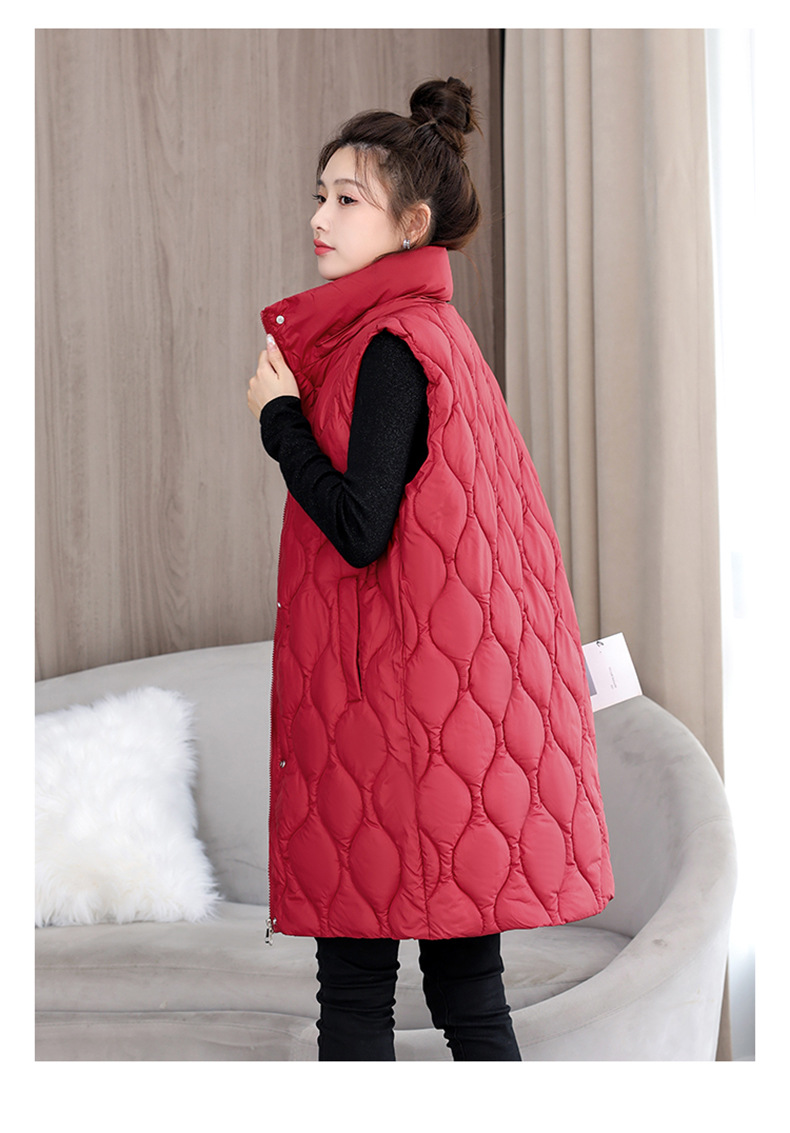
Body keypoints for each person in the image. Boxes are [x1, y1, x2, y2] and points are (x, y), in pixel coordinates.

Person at [247, 77, 614, 1062]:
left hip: (385, 727)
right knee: (467, 990)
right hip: (444, 728)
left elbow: (359, 528)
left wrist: (279, 421)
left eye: (348, 199)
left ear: (412, 225)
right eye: (320, 194)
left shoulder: (386, 347)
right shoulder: (439, 339)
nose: (320, 217)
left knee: (357, 998)